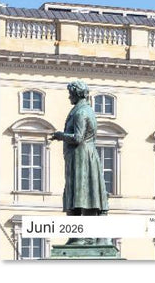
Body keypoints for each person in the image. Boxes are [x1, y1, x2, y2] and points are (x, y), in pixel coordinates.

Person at [51, 80, 109, 243]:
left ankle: (80, 237)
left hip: (82, 157)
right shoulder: (84, 110)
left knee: (80, 195)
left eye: (71, 93)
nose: (69, 96)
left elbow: (78, 137)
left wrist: (60, 135)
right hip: (83, 156)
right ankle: (79, 235)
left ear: (77, 94)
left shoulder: (81, 112)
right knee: (82, 195)